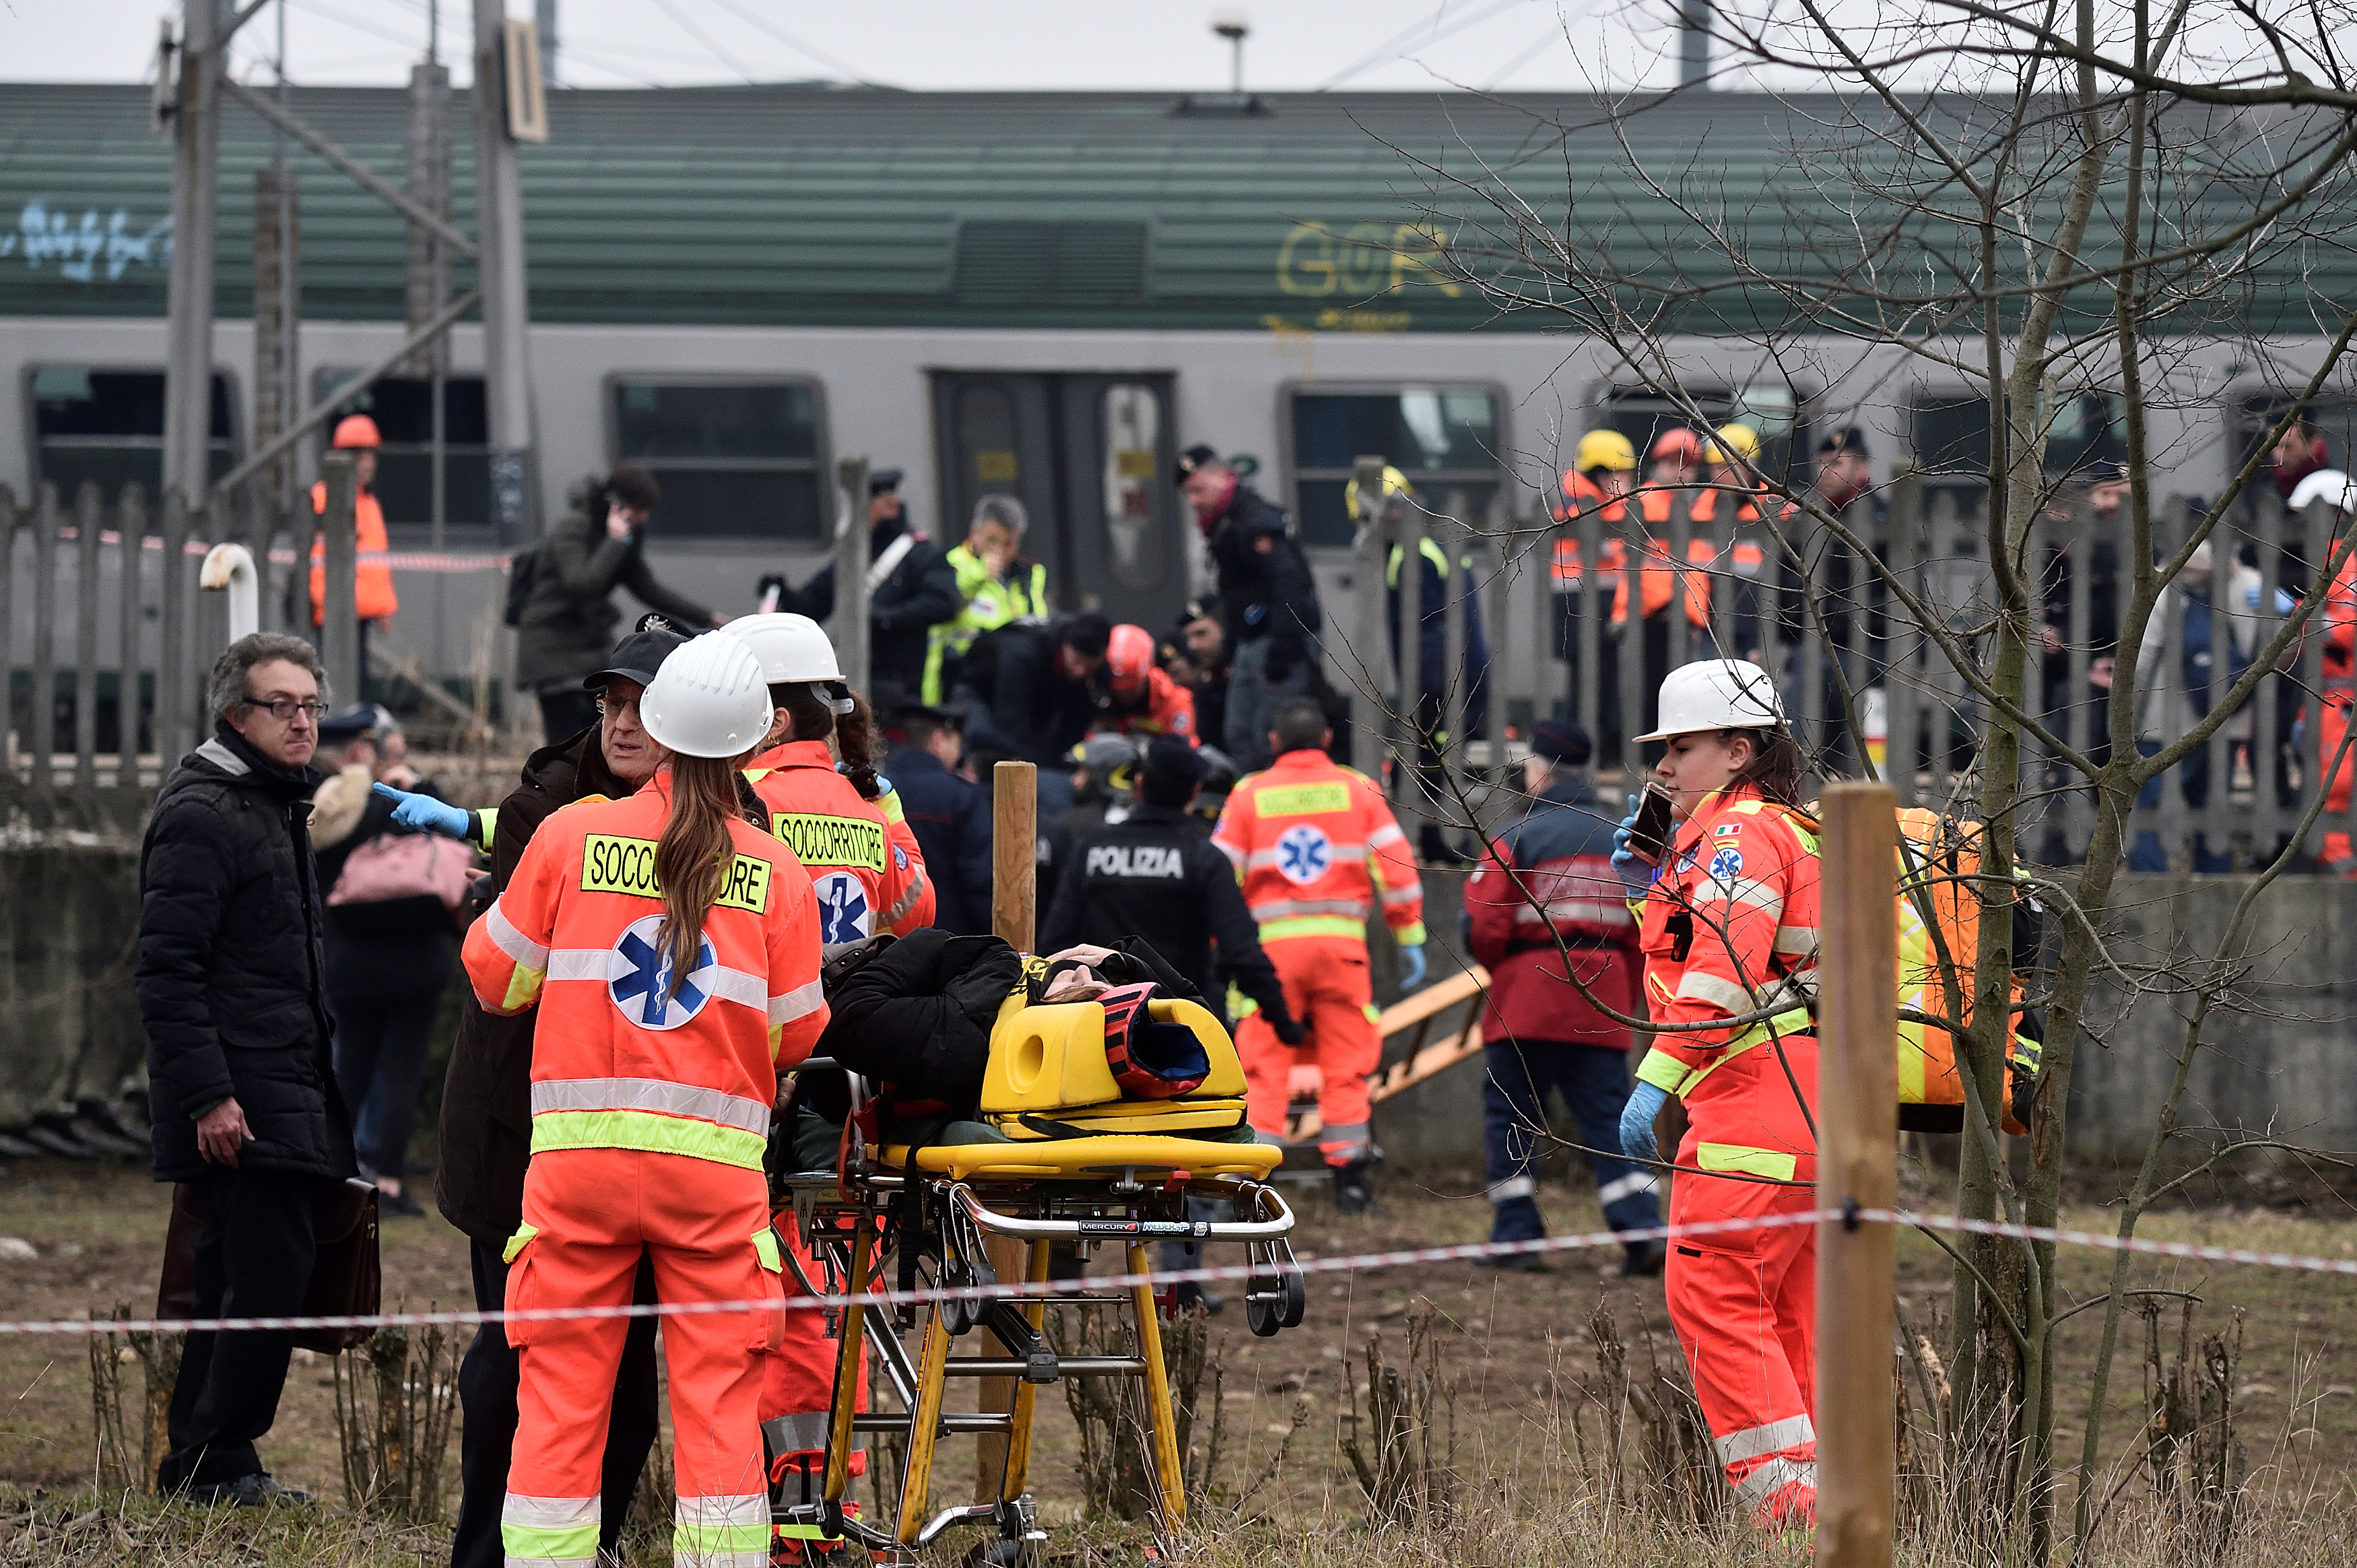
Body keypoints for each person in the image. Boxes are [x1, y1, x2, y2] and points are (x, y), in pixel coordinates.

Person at [461, 629, 828, 1568]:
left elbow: (496, 981)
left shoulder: (570, 833)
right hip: (713, 1186)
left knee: (559, 1404)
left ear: (656, 731)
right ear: (751, 747)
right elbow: (796, 1034)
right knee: (716, 1412)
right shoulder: (775, 871)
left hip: (577, 1176)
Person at [386, 623, 685, 1568]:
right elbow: (509, 977)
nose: (621, 722)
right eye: (610, 702)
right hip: (523, 1138)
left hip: (656, 1146)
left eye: (643, 704)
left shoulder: (725, 823)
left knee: (629, 1382)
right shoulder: (545, 810)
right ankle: (486, 1555)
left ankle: (582, 1543)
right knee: (518, 1357)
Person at [139, 632, 354, 1505]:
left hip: (284, 1078)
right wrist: (210, 1095)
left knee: (244, 1275)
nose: (302, 722)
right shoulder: (204, 810)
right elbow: (167, 969)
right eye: (282, 706)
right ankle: (217, 1460)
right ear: (236, 714)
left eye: (310, 705)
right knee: (267, 1275)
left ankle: (206, 1461)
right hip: (243, 1091)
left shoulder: (269, 800)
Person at [1612, 659, 1823, 1529]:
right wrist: (1648, 874)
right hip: (1808, 1111)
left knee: (1714, 1295)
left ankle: (1793, 1518)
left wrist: (1655, 1078)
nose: (1662, 767)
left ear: (1739, 750)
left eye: (1681, 748)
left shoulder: (1739, 837)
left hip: (1748, 1106)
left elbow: (1727, 969)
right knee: (1788, 1318)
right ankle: (1833, 1512)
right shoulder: (1784, 828)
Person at [1461, 718, 1663, 1275]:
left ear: (1542, 768)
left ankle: (1518, 1235)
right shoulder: (1619, 834)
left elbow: (1483, 924)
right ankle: (1642, 1229)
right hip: (1604, 998)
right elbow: (1651, 921)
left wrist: (1504, 966)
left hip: (1527, 998)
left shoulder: (1519, 833)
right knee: (1609, 1118)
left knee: (1511, 1115)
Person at [1214, 697, 1424, 1214]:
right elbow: (1396, 869)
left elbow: (1217, 877)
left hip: (1271, 957)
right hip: (1340, 951)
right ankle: (1352, 1184)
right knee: (1346, 1064)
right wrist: (1409, 936)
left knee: (1264, 1066)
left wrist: (1220, 946)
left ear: (1273, 742)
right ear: (1328, 739)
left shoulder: (1249, 795)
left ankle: (1253, 1187)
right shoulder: (1358, 789)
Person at [310, 704, 462, 1219]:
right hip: (415, 960)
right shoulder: (398, 796)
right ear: (363, 750)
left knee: (347, 1069)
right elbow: (450, 838)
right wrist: (421, 786)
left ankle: (334, 1176)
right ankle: (391, 1183)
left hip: (350, 962)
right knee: (401, 1072)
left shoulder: (326, 801)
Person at [731, 612, 934, 946]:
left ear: (776, 723)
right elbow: (918, 912)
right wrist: (890, 820)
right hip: (852, 995)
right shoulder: (866, 810)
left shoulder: (732, 799)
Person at [514, 465, 725, 743]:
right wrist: (614, 542)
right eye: (640, 509)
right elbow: (580, 584)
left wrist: (709, 619)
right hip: (552, 650)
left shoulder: (621, 539)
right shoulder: (575, 528)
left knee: (596, 738)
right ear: (618, 504)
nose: (645, 517)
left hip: (587, 648)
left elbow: (648, 589)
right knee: (568, 743)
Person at [1359, 467, 1492, 860]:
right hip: (1456, 673)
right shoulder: (1429, 543)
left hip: (1439, 681)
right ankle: (1433, 838)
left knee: (1427, 758)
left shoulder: (1412, 554)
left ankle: (1431, 839)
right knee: (1430, 757)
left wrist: (1428, 690)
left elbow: (1430, 631)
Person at [1176, 446, 1324, 771]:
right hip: (1251, 642)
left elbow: (1289, 586)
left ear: (1222, 478)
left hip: (1276, 644)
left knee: (1267, 738)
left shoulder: (1256, 523)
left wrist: (1282, 655)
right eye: (1188, 493)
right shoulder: (1228, 524)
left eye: (1198, 490)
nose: (1194, 501)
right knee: (1239, 734)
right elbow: (1235, 597)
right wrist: (1230, 651)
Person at [779, 467, 960, 715]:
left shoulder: (921, 554)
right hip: (856, 678)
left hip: (901, 680)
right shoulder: (854, 556)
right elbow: (813, 605)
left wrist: (887, 618)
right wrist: (783, 593)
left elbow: (943, 603)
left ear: (888, 505)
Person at [956, 611, 1115, 805]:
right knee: (988, 747)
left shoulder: (1097, 674)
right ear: (1064, 646)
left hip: (1036, 699)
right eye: (1076, 661)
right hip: (983, 691)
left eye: (1089, 667)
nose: (1080, 671)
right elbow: (1012, 721)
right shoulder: (1023, 651)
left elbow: (1076, 725)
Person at [925, 494, 1049, 704]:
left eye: (1009, 544)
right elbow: (954, 595)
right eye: (992, 541)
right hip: (961, 681)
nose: (1000, 552)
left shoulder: (1027, 576)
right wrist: (982, 575)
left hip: (1011, 680)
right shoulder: (952, 566)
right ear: (975, 533)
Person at [308, 414, 398, 702]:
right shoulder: (324, 497)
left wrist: (382, 608)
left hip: (359, 610)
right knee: (337, 683)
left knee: (356, 683)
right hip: (336, 610)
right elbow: (319, 560)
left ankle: (352, 739)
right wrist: (326, 604)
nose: (370, 462)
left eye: (371, 454)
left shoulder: (368, 502)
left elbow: (374, 560)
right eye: (364, 455)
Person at [1552, 429, 1636, 734]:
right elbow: (1612, 545)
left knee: (1594, 675)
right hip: (1583, 597)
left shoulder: (1581, 496)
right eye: (1622, 473)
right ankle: (1587, 741)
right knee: (1589, 677)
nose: (1628, 480)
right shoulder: (1584, 503)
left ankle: (1592, 740)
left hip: (1583, 596)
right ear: (1602, 473)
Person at [886, 704, 995, 935]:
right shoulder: (962, 795)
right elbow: (979, 880)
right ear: (938, 740)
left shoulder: (874, 790)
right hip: (949, 941)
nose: (959, 752)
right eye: (956, 743)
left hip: (883, 940)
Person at [1104, 621, 1198, 743]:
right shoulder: (1096, 696)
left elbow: (1186, 753)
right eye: (1118, 690)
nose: (1125, 696)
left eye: (1132, 690)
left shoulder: (1175, 702)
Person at [1162, 595, 1231, 754]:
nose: (1193, 646)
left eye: (1201, 634)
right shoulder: (1206, 682)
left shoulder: (1245, 675)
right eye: (1189, 637)